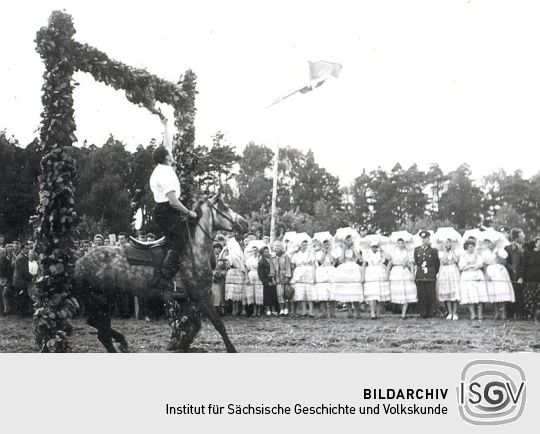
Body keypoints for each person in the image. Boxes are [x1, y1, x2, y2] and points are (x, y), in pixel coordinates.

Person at [149, 144, 197, 292]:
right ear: (166, 157)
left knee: (177, 240)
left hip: (165, 211)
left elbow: (167, 144)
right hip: (166, 211)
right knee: (181, 239)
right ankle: (166, 275)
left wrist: (165, 125)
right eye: (170, 152)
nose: (172, 152)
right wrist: (189, 212)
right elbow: (173, 201)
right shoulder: (165, 174)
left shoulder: (164, 168)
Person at [481, 239, 515, 319]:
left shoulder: (500, 250)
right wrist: (486, 275)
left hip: (500, 271)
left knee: (501, 290)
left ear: (493, 242)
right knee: (493, 291)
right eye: (486, 242)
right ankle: (496, 312)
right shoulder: (485, 253)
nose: (488, 244)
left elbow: (505, 262)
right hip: (490, 271)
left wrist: (498, 256)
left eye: (489, 242)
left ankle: (503, 312)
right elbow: (484, 265)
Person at [334, 235, 363, 318]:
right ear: (344, 241)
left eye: (350, 240)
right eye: (347, 240)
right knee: (346, 290)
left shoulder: (355, 248)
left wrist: (353, 249)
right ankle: (350, 312)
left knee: (354, 290)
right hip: (344, 268)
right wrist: (343, 250)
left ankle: (357, 312)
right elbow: (341, 260)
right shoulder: (341, 249)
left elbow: (359, 258)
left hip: (353, 268)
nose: (348, 242)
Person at [459, 239, 488, 321]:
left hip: (477, 275)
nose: (472, 248)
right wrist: (469, 266)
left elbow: (480, 264)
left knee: (479, 295)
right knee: (470, 295)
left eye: (473, 247)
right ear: (466, 247)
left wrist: (471, 265)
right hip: (467, 276)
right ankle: (472, 314)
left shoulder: (477, 255)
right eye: (470, 247)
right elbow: (461, 266)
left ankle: (480, 314)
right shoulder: (463, 256)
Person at [413, 231, 440, 318]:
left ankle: (432, 312)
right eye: (423, 238)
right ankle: (423, 313)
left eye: (426, 238)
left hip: (430, 275)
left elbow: (437, 264)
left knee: (431, 294)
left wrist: (432, 272)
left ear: (429, 239)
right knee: (422, 294)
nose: (424, 240)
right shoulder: (417, 250)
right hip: (421, 275)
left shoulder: (433, 251)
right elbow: (417, 262)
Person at [363, 240, 392, 320]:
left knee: (380, 293)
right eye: (373, 247)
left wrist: (382, 250)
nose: (374, 248)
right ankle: (372, 312)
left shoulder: (381, 253)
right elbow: (364, 264)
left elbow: (390, 259)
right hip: (371, 273)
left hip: (380, 272)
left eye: (376, 246)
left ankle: (378, 313)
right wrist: (363, 276)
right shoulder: (367, 253)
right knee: (373, 293)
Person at [388, 238, 417, 319]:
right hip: (396, 271)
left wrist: (412, 274)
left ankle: (403, 313)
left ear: (404, 243)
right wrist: (388, 273)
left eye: (402, 243)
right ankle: (399, 310)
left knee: (406, 292)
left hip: (405, 272)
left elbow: (411, 264)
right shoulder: (393, 252)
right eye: (399, 243)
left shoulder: (408, 253)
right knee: (398, 292)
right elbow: (390, 262)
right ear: (396, 244)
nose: (400, 245)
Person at [436, 238, 461, 320]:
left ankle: (455, 313)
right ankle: (450, 313)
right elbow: (444, 261)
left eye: (449, 242)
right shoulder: (441, 252)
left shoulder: (455, 251)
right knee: (447, 291)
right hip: (445, 272)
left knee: (454, 291)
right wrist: (445, 251)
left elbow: (456, 260)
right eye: (446, 242)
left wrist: (452, 251)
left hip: (453, 271)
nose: (448, 244)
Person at [291, 238, 316, 317]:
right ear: (300, 245)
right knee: (301, 291)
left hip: (308, 272)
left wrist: (313, 275)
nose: (305, 246)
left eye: (306, 245)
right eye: (303, 245)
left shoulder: (310, 253)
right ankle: (304, 311)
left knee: (309, 291)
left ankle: (311, 311)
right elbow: (293, 264)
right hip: (299, 273)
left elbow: (313, 264)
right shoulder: (296, 254)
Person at [504, 228, 526, 320]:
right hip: (513, 275)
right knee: (514, 294)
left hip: (524, 274)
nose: (524, 237)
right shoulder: (508, 248)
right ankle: (513, 313)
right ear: (516, 238)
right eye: (522, 235)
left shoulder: (526, 247)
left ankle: (521, 313)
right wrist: (512, 270)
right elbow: (506, 262)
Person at [224, 237, 246, 316]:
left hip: (236, 273)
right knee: (232, 293)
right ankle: (233, 309)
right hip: (231, 274)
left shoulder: (237, 255)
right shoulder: (228, 255)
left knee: (237, 292)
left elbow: (241, 265)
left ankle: (236, 309)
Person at [269, 241, 292, 316]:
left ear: (281, 247)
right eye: (276, 246)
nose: (277, 247)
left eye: (278, 246)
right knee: (279, 293)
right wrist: (273, 278)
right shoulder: (272, 257)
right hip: (277, 276)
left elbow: (288, 267)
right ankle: (281, 309)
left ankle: (286, 309)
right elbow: (272, 268)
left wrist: (287, 277)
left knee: (286, 293)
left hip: (284, 275)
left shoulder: (285, 256)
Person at [315, 239, 336, 318]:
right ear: (322, 245)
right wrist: (324, 252)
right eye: (324, 244)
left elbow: (333, 261)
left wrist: (329, 252)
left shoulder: (333, 252)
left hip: (331, 271)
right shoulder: (318, 253)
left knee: (332, 292)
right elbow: (320, 262)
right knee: (322, 292)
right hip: (322, 271)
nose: (326, 246)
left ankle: (332, 312)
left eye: (328, 244)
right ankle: (324, 312)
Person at [521, 236, 540, 320]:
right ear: (535, 243)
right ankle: (528, 314)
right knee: (529, 297)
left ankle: (536, 315)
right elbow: (523, 266)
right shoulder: (528, 253)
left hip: (538, 280)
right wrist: (521, 277)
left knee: (537, 297)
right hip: (529, 279)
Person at [12, 243, 33, 317]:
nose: (27, 250)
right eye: (26, 248)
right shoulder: (21, 258)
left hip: (21, 280)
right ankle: (21, 313)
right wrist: (33, 277)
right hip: (19, 281)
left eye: (28, 248)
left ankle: (23, 312)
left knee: (22, 296)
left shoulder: (23, 256)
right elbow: (24, 271)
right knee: (21, 296)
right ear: (22, 249)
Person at [258, 246, 278, 316]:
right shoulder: (261, 262)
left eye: (268, 251)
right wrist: (266, 282)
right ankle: (268, 309)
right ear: (262, 253)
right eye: (265, 252)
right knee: (267, 295)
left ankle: (273, 309)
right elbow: (261, 274)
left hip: (272, 279)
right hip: (266, 280)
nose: (267, 253)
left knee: (273, 295)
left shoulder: (271, 259)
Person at [244, 244, 264, 316]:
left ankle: (259, 311)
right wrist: (246, 278)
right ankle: (254, 310)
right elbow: (246, 269)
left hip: (259, 275)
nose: (255, 252)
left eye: (256, 250)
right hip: (251, 275)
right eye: (253, 251)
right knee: (251, 293)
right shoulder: (248, 259)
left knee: (259, 293)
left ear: (258, 251)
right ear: (251, 251)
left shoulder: (260, 258)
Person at [211, 243, 228, 315]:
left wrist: (222, 273)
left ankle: (220, 309)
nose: (218, 249)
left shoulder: (223, 258)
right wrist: (212, 275)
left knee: (221, 293)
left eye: (220, 248)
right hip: (212, 276)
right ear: (214, 249)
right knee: (213, 293)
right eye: (216, 248)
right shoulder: (210, 257)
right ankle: (212, 310)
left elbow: (226, 268)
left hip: (221, 277)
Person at [0, 247, 13, 316]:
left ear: (4, 253)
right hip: (0, 279)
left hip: (7, 280)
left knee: (4, 294)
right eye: (0, 253)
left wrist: (5, 281)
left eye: (2, 253)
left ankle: (6, 310)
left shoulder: (7, 261)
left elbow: (9, 273)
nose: (0, 254)